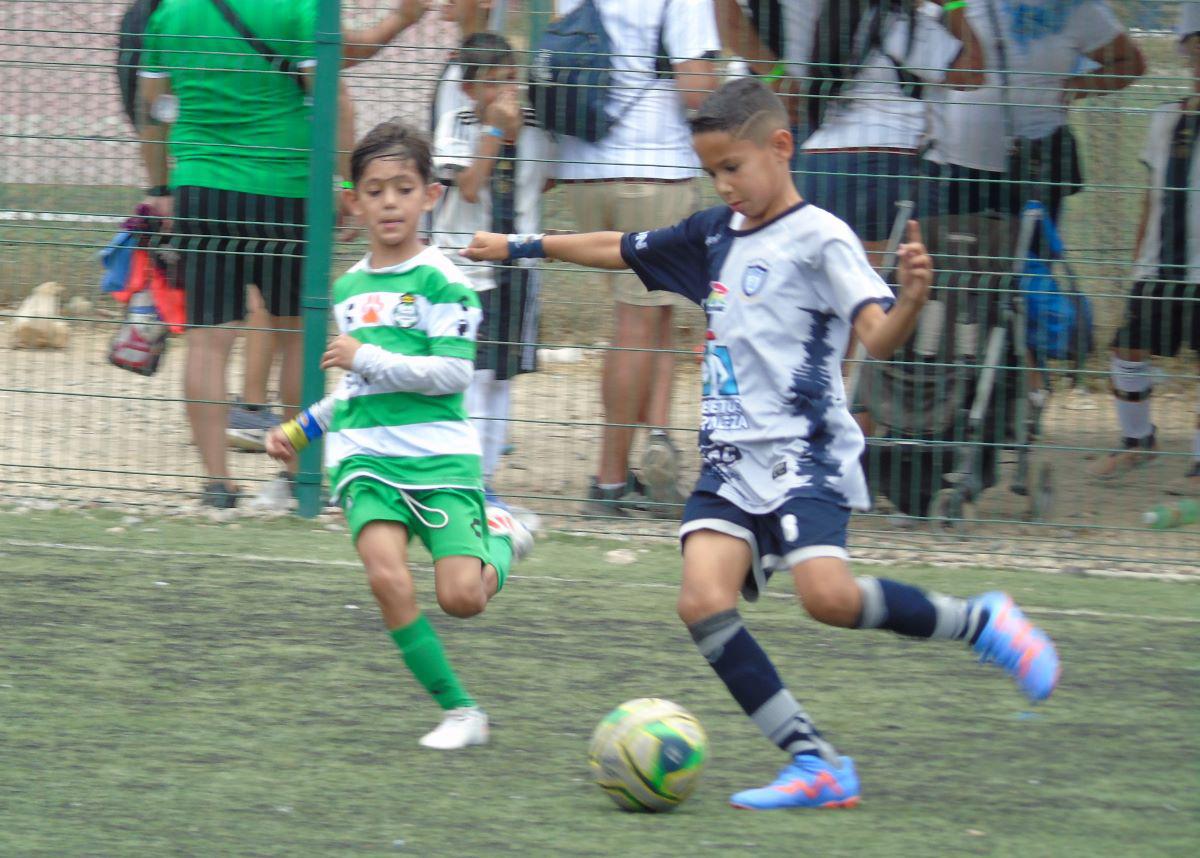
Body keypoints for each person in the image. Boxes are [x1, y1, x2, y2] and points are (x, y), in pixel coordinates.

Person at [463, 78, 1060, 808]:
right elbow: (616, 246)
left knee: (828, 599)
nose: (723, 184)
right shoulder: (712, 234)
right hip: (726, 460)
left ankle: (981, 621)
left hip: (802, 452)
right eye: (713, 171)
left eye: (733, 167)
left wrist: (907, 301)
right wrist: (520, 245)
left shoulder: (822, 238)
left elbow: (877, 334)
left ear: (780, 147)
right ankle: (815, 762)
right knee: (700, 601)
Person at [265, 120, 533, 750]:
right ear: (354, 201)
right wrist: (304, 429)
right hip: (366, 458)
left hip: (440, 461)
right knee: (386, 577)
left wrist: (366, 358)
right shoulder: (350, 288)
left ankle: (504, 538)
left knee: (462, 598)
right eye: (375, 190)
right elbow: (356, 388)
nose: (389, 201)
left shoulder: (447, 281)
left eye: (403, 188)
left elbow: (450, 375)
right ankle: (461, 710)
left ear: (429, 196)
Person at [136, 0, 430, 507]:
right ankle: (299, 471)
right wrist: (342, 185)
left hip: (202, 185)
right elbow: (336, 103)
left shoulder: (171, 13)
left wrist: (161, 184)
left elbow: (153, 110)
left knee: (208, 341)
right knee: (297, 334)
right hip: (286, 189)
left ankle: (216, 483)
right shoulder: (300, 8)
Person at [553, 0, 721, 517]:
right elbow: (695, 87)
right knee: (636, 323)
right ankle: (609, 481)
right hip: (652, 166)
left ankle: (657, 451)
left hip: (584, 167)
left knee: (653, 316)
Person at [431, 32, 556, 506]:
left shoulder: (535, 128)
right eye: (490, 84)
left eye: (510, 81)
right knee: (470, 374)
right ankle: (463, 475)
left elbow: (549, 178)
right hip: (464, 271)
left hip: (516, 266)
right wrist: (492, 133)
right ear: (467, 89)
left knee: (500, 376)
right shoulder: (455, 122)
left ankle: (484, 478)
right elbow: (467, 186)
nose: (504, 93)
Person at [1092, 2, 1199, 495]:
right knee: (1126, 350)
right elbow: (1151, 198)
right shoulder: (1165, 119)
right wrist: (1139, 264)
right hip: (1161, 265)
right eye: (1195, 51)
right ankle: (1138, 440)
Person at [920, 0, 1144, 228]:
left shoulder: (1079, 7)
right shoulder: (960, 3)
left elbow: (1131, 63)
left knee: (1030, 260)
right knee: (953, 256)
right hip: (957, 165)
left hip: (1034, 166)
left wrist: (1072, 88)